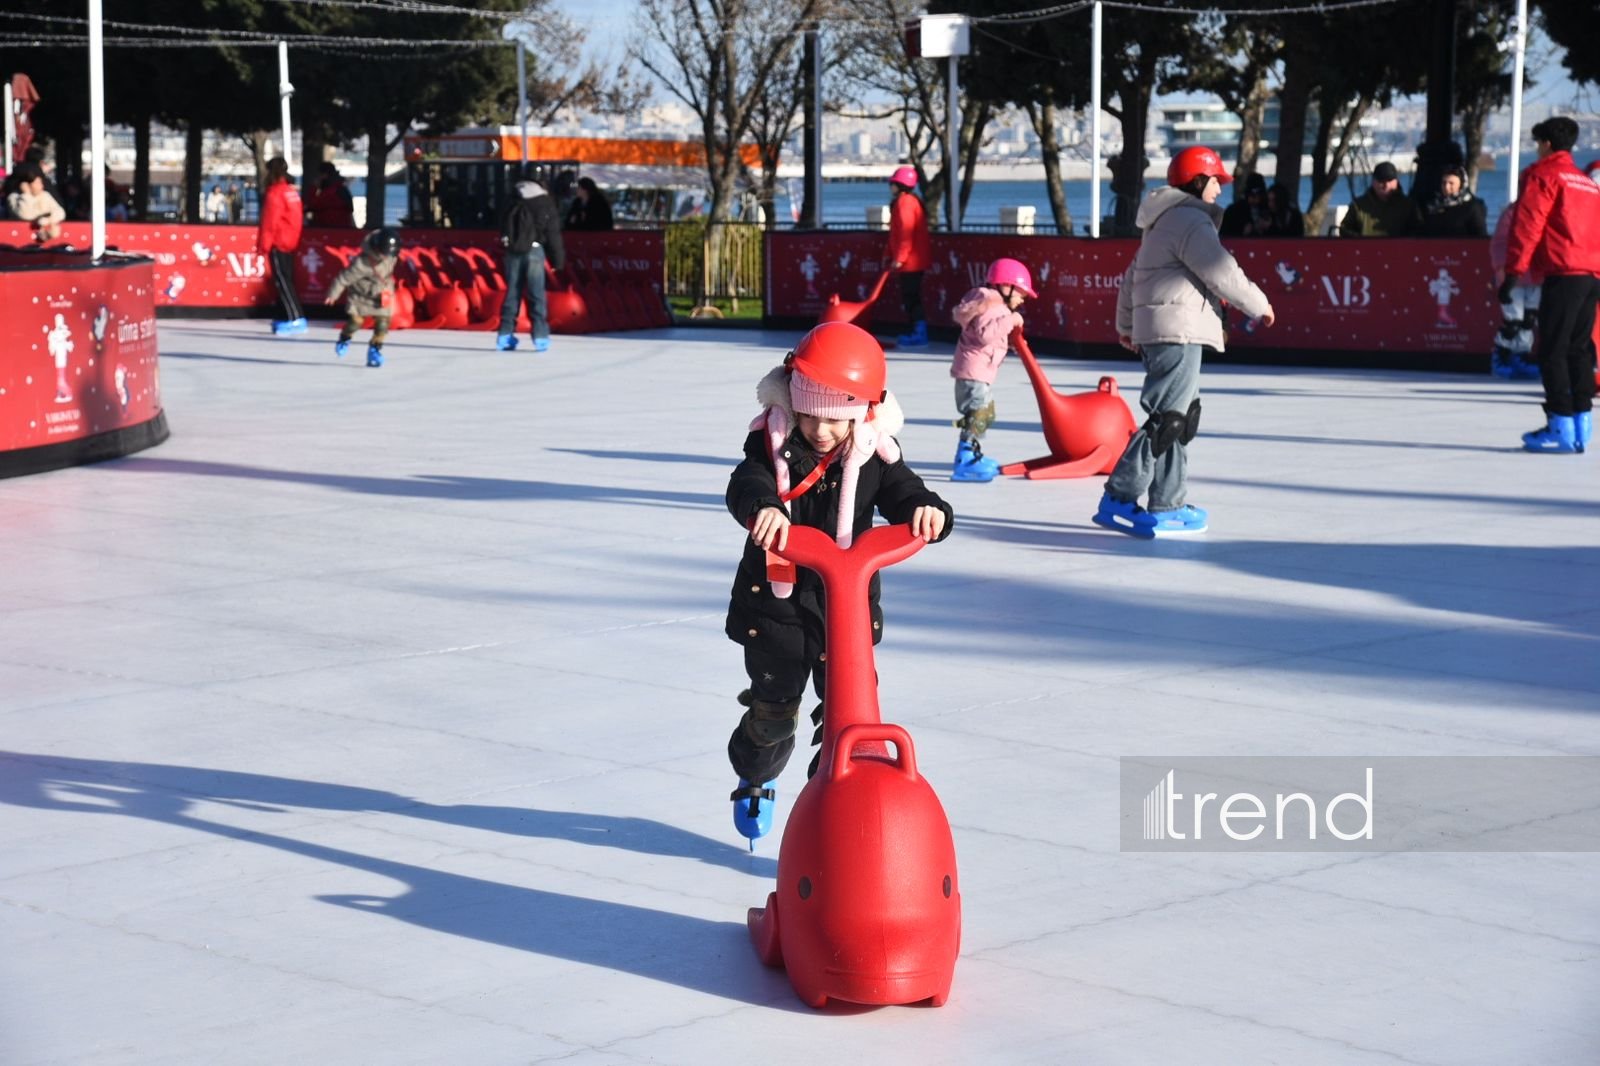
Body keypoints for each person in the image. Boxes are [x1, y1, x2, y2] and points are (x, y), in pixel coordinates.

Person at [725, 321, 953, 843]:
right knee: (773, 716)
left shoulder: (873, 453)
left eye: (835, 419)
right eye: (810, 415)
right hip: (775, 615)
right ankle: (755, 777)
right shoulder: (773, 445)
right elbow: (748, 481)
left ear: (861, 414)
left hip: (843, 620)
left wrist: (928, 510)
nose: (821, 430)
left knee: (848, 723)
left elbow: (905, 490)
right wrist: (763, 509)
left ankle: (829, 817)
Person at [1097, 145, 1275, 537]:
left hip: (1168, 329)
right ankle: (1119, 495)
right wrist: (1258, 304)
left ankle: (1168, 501)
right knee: (1167, 420)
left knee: (1180, 419)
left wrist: (1127, 325)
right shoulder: (1190, 222)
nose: (1220, 189)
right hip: (1176, 331)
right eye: (1216, 181)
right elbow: (1221, 270)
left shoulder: (1162, 222)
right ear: (1198, 181)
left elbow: (1131, 277)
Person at [1502, 116, 1600, 453]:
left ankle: (1560, 422)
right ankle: (1582, 425)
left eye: (1537, 143)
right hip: (1590, 275)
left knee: (1552, 350)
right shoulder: (1586, 182)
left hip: (1564, 272)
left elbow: (1528, 225)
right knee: (1578, 349)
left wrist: (1513, 273)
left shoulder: (1544, 176)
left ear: (1545, 143)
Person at [947, 257, 1035, 482]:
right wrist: (1012, 319)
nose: (1021, 301)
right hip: (974, 372)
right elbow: (986, 335)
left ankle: (971, 454)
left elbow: (988, 335)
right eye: (1020, 294)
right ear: (1006, 286)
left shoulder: (990, 303)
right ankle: (965, 459)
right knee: (980, 412)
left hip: (973, 370)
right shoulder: (995, 305)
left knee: (982, 413)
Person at [496, 176, 566, 352]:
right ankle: (540, 335)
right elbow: (552, 233)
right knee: (536, 294)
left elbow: (501, 223)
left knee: (512, 292)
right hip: (535, 250)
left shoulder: (511, 198)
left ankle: (505, 334)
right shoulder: (544, 201)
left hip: (512, 251)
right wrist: (558, 260)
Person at [1488, 170, 1543, 380]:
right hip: (1514, 278)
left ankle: (1520, 355)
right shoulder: (1512, 214)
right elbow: (1499, 245)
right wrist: (1503, 269)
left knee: (1529, 319)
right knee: (1513, 320)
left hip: (1535, 276)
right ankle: (1501, 356)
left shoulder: (1542, 213)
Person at [324, 227, 400, 369]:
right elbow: (343, 279)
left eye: (388, 254)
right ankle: (344, 338)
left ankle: (375, 350)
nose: (386, 257)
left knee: (383, 324)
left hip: (381, 296)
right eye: (383, 254)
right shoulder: (361, 264)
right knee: (355, 322)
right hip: (360, 297)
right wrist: (332, 294)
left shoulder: (391, 257)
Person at [257, 156, 306, 334]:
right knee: (286, 280)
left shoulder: (275, 193)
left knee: (283, 281)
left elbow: (269, 223)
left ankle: (295, 318)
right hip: (290, 241)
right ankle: (290, 315)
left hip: (279, 242)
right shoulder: (290, 192)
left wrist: (263, 248)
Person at [885, 165, 932, 347]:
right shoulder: (910, 201)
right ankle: (916, 330)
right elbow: (896, 234)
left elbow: (905, 233)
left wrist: (899, 258)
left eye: (893, 183)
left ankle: (919, 333)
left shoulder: (905, 203)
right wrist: (888, 253)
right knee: (911, 297)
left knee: (911, 297)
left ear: (900, 184)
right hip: (913, 260)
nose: (891, 187)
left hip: (911, 262)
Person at [1340, 161, 1422, 237]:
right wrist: (1362, 242)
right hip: (1366, 251)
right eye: (1381, 181)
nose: (1386, 185)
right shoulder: (1358, 206)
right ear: (1373, 182)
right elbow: (1345, 230)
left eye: (1389, 180)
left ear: (1396, 181)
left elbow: (1418, 232)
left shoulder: (1408, 205)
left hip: (1399, 251)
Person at [5, 162, 66, 243]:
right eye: (37, 183)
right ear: (27, 184)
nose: (41, 186)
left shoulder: (45, 195)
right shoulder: (14, 197)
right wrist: (26, 195)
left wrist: (47, 220)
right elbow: (26, 215)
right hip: (20, 240)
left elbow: (60, 212)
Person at [1421, 165, 1488, 237]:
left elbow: (1481, 237)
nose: (1446, 187)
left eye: (1451, 183)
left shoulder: (1472, 207)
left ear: (1461, 184)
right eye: (1444, 183)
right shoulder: (1433, 206)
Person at [304, 162, 355, 228]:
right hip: (340, 229)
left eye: (319, 175)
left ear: (324, 175)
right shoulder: (340, 188)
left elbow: (312, 205)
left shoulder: (331, 191)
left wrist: (314, 188)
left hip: (330, 230)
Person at [1219, 172, 1269, 237]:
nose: (1256, 200)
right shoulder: (1234, 211)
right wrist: (1242, 232)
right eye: (1252, 195)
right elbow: (1224, 235)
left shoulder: (1269, 209)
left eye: (1259, 195)